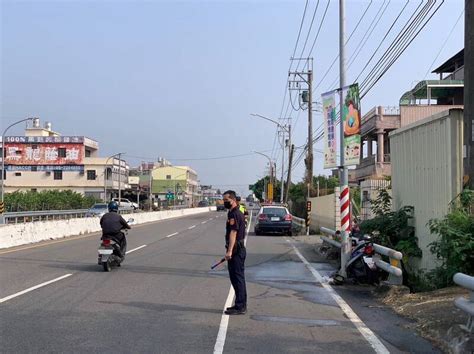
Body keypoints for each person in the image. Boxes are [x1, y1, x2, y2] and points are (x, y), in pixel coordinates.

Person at [223, 190, 247, 315]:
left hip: (237, 250)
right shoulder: (232, 212)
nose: (224, 203)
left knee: (238, 278)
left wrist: (229, 251)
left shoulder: (235, 214)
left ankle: (240, 306)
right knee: (235, 278)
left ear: (233, 200)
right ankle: (239, 304)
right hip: (237, 249)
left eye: (226, 201)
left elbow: (233, 233)